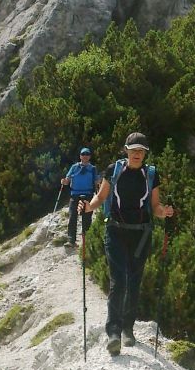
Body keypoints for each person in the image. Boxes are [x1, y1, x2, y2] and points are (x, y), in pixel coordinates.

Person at [80, 132, 175, 355]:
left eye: (141, 150)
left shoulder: (150, 174)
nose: (137, 154)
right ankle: (113, 332)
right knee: (118, 282)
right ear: (126, 150)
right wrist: (87, 207)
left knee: (134, 283)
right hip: (115, 231)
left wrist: (165, 212)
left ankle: (128, 329)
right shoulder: (114, 170)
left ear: (145, 153)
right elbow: (101, 197)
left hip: (141, 235)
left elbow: (155, 206)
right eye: (133, 150)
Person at [62, 147, 98, 246]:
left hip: (88, 195)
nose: (85, 156)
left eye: (87, 154)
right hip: (75, 194)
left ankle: (86, 241)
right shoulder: (74, 167)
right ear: (80, 156)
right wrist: (65, 181)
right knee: (72, 216)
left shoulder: (93, 169)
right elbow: (67, 179)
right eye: (83, 154)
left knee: (87, 218)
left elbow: (96, 181)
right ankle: (71, 240)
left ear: (90, 156)